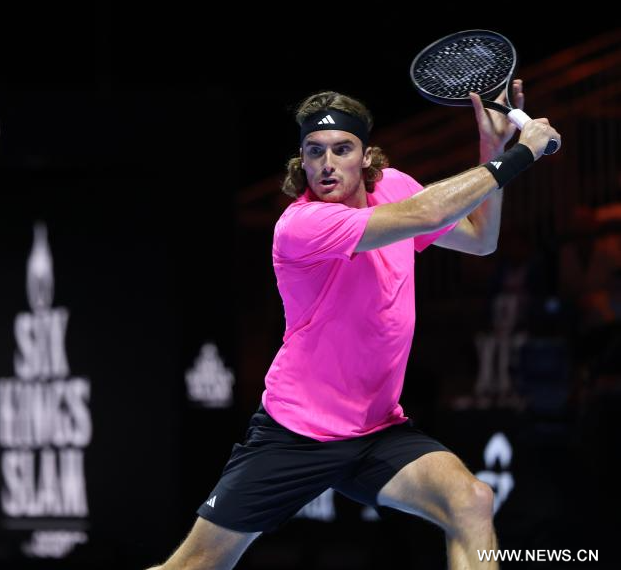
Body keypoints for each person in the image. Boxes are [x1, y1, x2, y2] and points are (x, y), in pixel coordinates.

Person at [148, 80, 561, 570]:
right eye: (314, 151)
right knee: (196, 564)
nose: (327, 163)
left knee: (471, 500)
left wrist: (491, 146)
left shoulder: (395, 188)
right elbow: (428, 211)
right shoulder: (302, 225)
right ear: (301, 161)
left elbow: (480, 239)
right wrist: (521, 154)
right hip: (297, 433)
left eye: (342, 149)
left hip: (376, 430)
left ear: (365, 157)